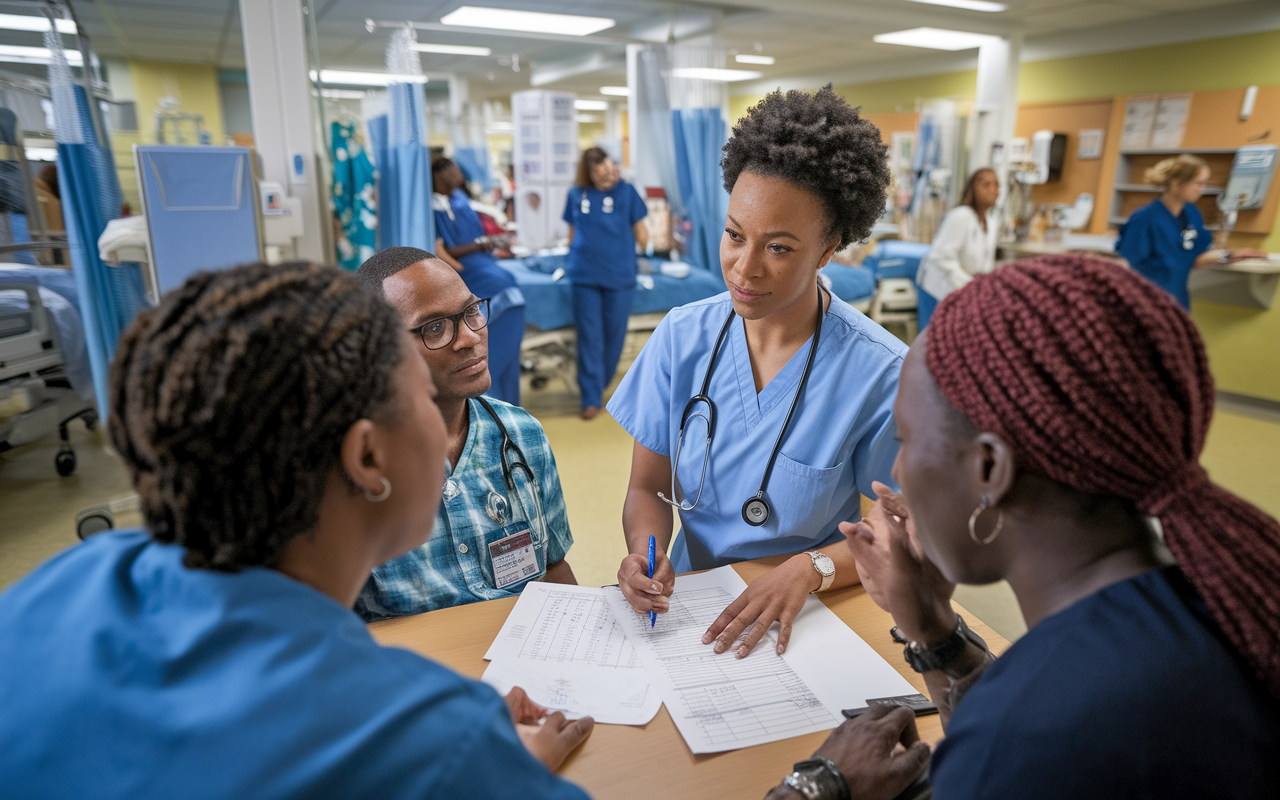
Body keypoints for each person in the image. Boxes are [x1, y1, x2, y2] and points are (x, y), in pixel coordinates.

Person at [0, 261, 593, 798]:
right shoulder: (438, 751)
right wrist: (507, 770)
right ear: (367, 457)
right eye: (419, 400)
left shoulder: (58, 587)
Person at [777, 255, 1280, 800]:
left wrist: (816, 787)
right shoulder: (1225, 598)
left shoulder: (1032, 735)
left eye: (904, 441)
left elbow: (1017, 747)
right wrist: (933, 632)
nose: (896, 472)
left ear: (989, 470)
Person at [608, 85, 903, 658]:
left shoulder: (880, 373)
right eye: (734, 235)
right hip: (693, 610)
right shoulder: (682, 336)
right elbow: (648, 487)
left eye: (780, 248)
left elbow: (892, 533)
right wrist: (646, 556)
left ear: (828, 249)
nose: (744, 268)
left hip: (812, 612)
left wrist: (809, 569)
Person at [354, 247, 577, 619]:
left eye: (471, 311)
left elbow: (553, 570)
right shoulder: (347, 474)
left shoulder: (522, 435)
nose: (469, 338)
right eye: (435, 327)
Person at [562, 147, 649, 420]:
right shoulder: (576, 194)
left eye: (609, 173)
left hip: (619, 274)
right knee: (590, 337)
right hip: (584, 274)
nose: (606, 179)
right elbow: (571, 232)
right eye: (599, 175)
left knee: (614, 336)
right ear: (588, 174)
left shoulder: (627, 192)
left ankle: (599, 386)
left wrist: (648, 255)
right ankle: (590, 398)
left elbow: (641, 232)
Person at [1116, 154, 1266, 309]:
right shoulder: (1145, 218)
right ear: (1176, 184)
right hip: (1146, 302)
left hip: (1177, 300)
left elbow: (1194, 257)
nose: (1202, 189)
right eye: (1198, 183)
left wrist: (1228, 255)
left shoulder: (1191, 213)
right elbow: (1125, 265)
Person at [432, 157, 525, 404]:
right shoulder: (432, 210)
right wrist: (482, 244)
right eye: (450, 170)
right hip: (467, 271)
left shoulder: (460, 201)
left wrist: (491, 242)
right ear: (437, 177)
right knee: (507, 290)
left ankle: (504, 396)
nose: (457, 174)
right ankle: (484, 391)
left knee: (509, 288)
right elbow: (445, 254)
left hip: (485, 265)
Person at [914, 167, 999, 328]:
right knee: (933, 345)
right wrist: (970, 285)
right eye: (986, 185)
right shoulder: (961, 216)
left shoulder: (990, 221)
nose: (993, 190)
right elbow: (939, 257)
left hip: (962, 290)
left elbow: (985, 262)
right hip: (936, 287)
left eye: (996, 185)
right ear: (972, 189)